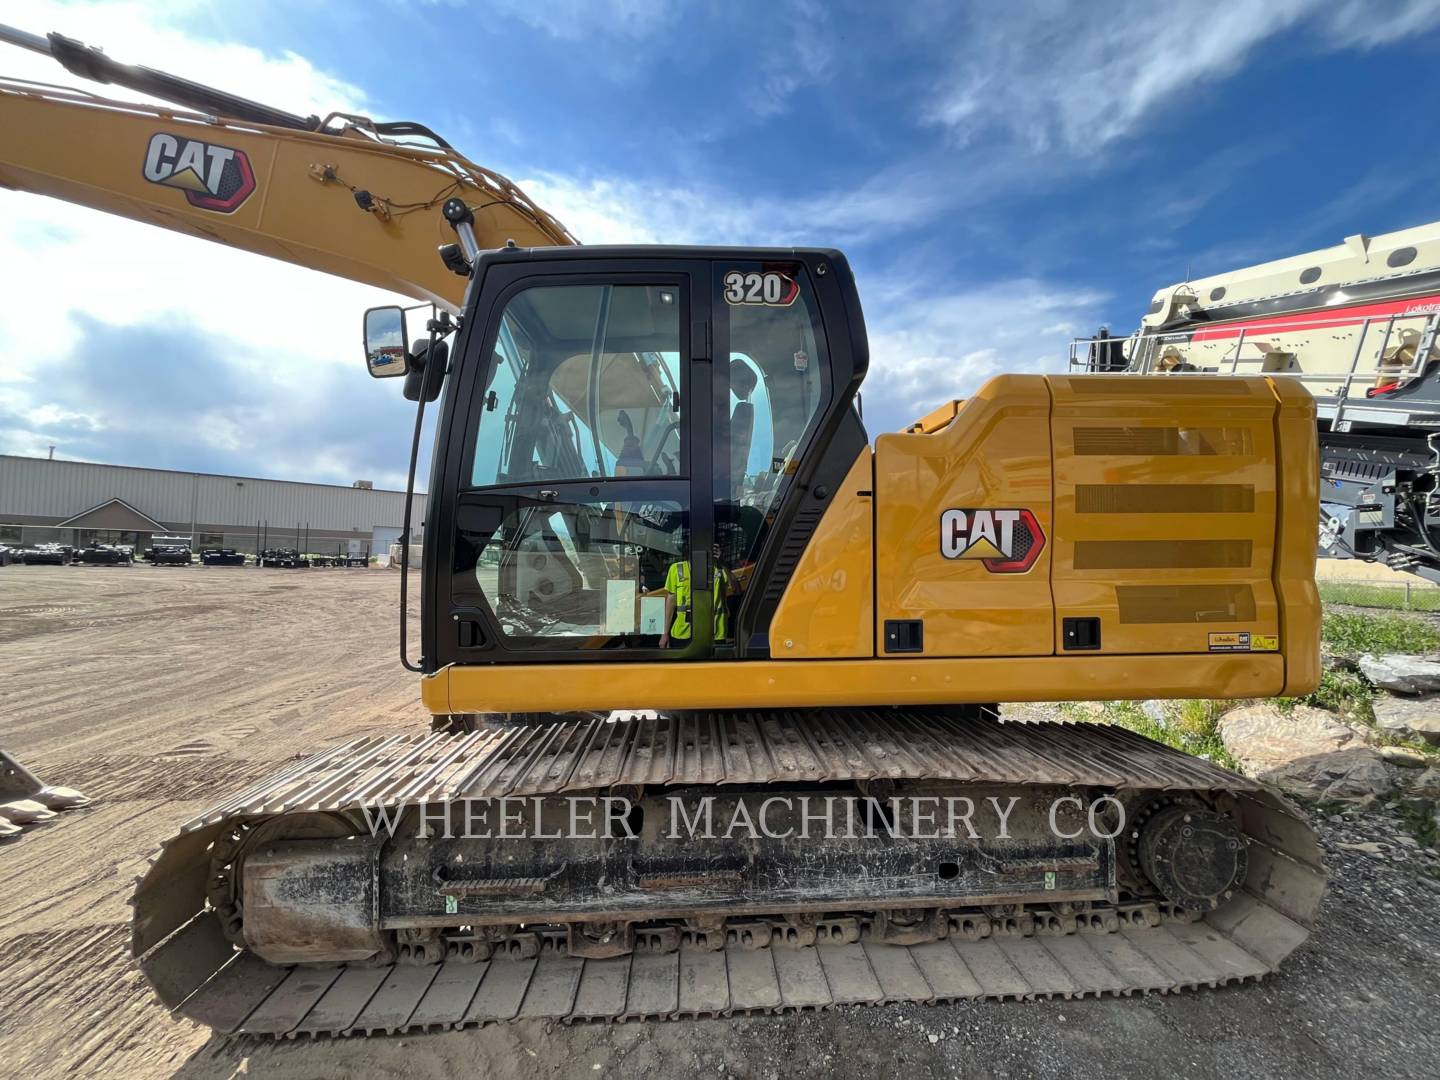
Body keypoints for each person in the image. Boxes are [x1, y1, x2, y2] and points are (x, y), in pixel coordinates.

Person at [659, 543, 731, 647]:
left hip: (715, 632)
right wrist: (664, 633)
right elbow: (670, 603)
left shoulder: (718, 568)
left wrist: (722, 562)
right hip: (683, 632)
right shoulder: (676, 569)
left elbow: (736, 589)